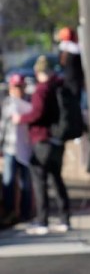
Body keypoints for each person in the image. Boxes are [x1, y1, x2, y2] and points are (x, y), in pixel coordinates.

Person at [15, 56, 70, 235]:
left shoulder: (41, 90)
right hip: (57, 140)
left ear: (38, 72)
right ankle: (64, 218)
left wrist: (21, 118)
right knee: (57, 179)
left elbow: (37, 113)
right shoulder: (58, 86)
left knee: (39, 181)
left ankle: (42, 221)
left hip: (42, 140)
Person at [1, 73, 32, 223]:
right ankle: (10, 212)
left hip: (26, 148)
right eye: (15, 87)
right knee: (8, 180)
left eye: (20, 86)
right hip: (10, 147)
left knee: (26, 182)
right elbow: (2, 126)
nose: (18, 90)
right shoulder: (7, 103)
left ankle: (26, 213)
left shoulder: (30, 101)